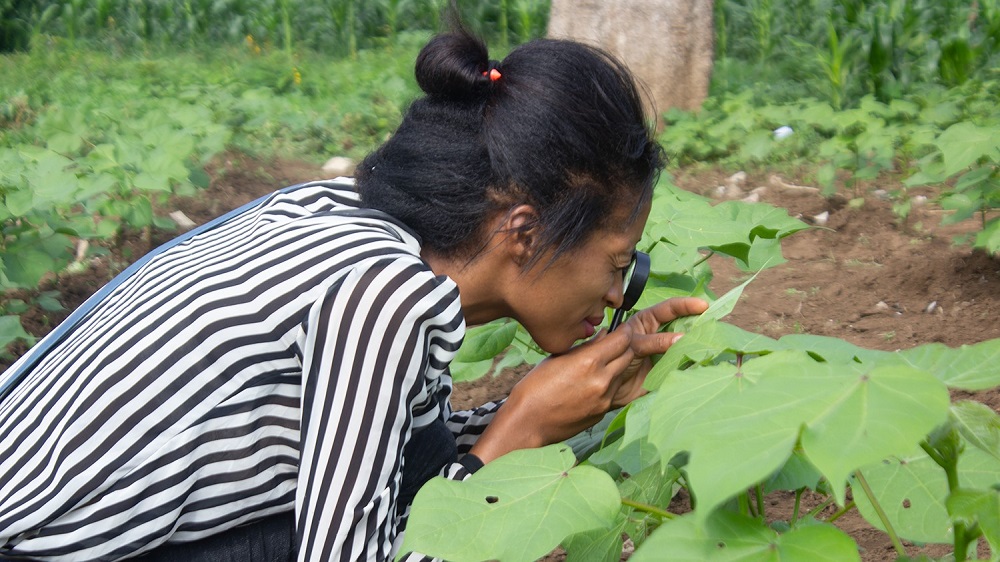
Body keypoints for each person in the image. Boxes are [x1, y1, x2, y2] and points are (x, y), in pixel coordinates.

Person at [0, 29, 707, 561]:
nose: (620, 293)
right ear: (523, 233)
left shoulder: (340, 213)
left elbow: (387, 442)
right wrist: (512, 436)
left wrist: (563, 408)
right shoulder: (386, 299)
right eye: (618, 263)